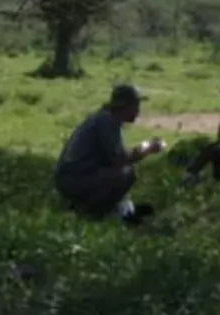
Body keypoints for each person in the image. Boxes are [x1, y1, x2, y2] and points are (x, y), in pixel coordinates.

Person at [53, 84, 162, 224]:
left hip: (74, 177)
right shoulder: (106, 122)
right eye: (135, 106)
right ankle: (90, 213)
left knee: (119, 174)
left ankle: (110, 211)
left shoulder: (105, 119)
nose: (138, 111)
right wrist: (147, 149)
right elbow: (120, 159)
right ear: (124, 106)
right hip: (74, 179)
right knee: (124, 175)